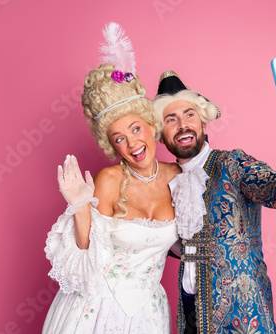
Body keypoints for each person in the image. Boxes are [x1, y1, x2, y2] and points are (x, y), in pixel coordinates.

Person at [152, 71, 276, 333]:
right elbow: (179, 242)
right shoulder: (165, 182)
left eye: (189, 115)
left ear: (203, 123)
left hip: (244, 316)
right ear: (161, 135)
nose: (183, 125)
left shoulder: (232, 165)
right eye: (170, 120)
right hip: (191, 315)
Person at [43, 24, 180, 333]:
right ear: (111, 145)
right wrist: (80, 207)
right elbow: (85, 257)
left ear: (149, 123)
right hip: (94, 309)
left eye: (135, 129)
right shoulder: (108, 180)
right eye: (119, 138)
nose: (132, 144)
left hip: (149, 314)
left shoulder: (179, 178)